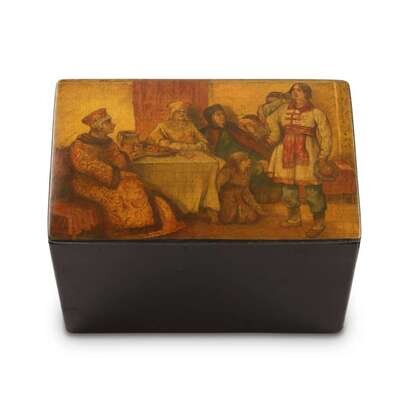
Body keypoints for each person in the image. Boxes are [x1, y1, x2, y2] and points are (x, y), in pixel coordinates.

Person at [69, 108, 182, 237]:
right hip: (88, 183)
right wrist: (119, 175)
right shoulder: (80, 145)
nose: (113, 124)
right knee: (124, 191)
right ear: (99, 126)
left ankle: (147, 225)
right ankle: (130, 230)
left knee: (135, 184)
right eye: (108, 122)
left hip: (111, 179)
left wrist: (126, 156)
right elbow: (89, 166)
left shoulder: (108, 142)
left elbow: (118, 161)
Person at [266, 83, 332, 238]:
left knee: (313, 189)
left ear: (307, 94)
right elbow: (270, 119)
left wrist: (323, 156)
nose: (295, 93)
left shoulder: (316, 112)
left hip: (308, 151)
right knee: (288, 187)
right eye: (293, 91)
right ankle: (294, 218)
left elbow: (326, 135)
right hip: (285, 150)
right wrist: (274, 135)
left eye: (299, 91)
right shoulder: (283, 109)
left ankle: (319, 222)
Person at [201, 104, 271, 201]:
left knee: (264, 162)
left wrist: (260, 154)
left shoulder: (231, 127)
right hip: (230, 159)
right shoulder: (207, 132)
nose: (222, 117)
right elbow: (213, 152)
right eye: (218, 115)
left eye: (223, 114)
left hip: (245, 154)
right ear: (210, 117)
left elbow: (246, 141)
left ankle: (261, 194)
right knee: (255, 166)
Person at [217, 152, 268, 224]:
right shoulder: (227, 172)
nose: (249, 161)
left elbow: (247, 192)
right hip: (228, 199)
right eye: (246, 160)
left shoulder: (247, 173)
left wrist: (257, 208)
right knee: (229, 217)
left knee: (251, 216)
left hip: (240, 198)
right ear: (239, 162)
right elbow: (217, 186)